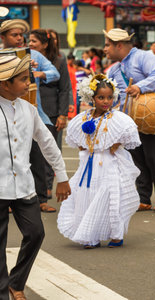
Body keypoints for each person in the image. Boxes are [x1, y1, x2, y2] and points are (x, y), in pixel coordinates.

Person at [0, 54, 70, 300]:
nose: (28, 83)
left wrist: (61, 176)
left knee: (36, 233)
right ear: (4, 83)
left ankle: (16, 281)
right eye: (21, 79)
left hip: (24, 186)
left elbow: (47, 142)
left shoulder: (29, 109)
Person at [57, 74, 141, 249]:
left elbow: (129, 134)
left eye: (110, 97)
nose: (106, 101)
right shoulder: (84, 118)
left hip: (109, 164)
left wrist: (117, 142)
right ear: (91, 98)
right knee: (87, 196)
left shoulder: (118, 118)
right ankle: (90, 236)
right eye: (101, 97)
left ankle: (116, 235)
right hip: (89, 165)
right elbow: (78, 140)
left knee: (111, 198)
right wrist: (84, 146)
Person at [104, 28, 155, 212]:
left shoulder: (143, 57)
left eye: (108, 45)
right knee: (138, 158)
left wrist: (139, 87)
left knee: (154, 156)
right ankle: (144, 198)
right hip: (130, 118)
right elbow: (114, 97)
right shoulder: (113, 69)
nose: (105, 49)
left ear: (119, 45)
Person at [0, 19, 61, 213]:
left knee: (38, 156)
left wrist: (37, 72)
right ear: (3, 38)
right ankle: (8, 198)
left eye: (21, 35)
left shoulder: (33, 54)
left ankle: (41, 199)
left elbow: (55, 73)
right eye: (14, 35)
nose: (19, 38)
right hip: (4, 112)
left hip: (33, 111)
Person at [29, 29, 72, 212]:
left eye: (34, 41)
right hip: (33, 109)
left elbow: (65, 89)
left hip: (51, 113)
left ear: (46, 44)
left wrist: (63, 114)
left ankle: (45, 191)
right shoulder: (25, 57)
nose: (30, 44)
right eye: (28, 41)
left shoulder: (58, 61)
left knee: (47, 151)